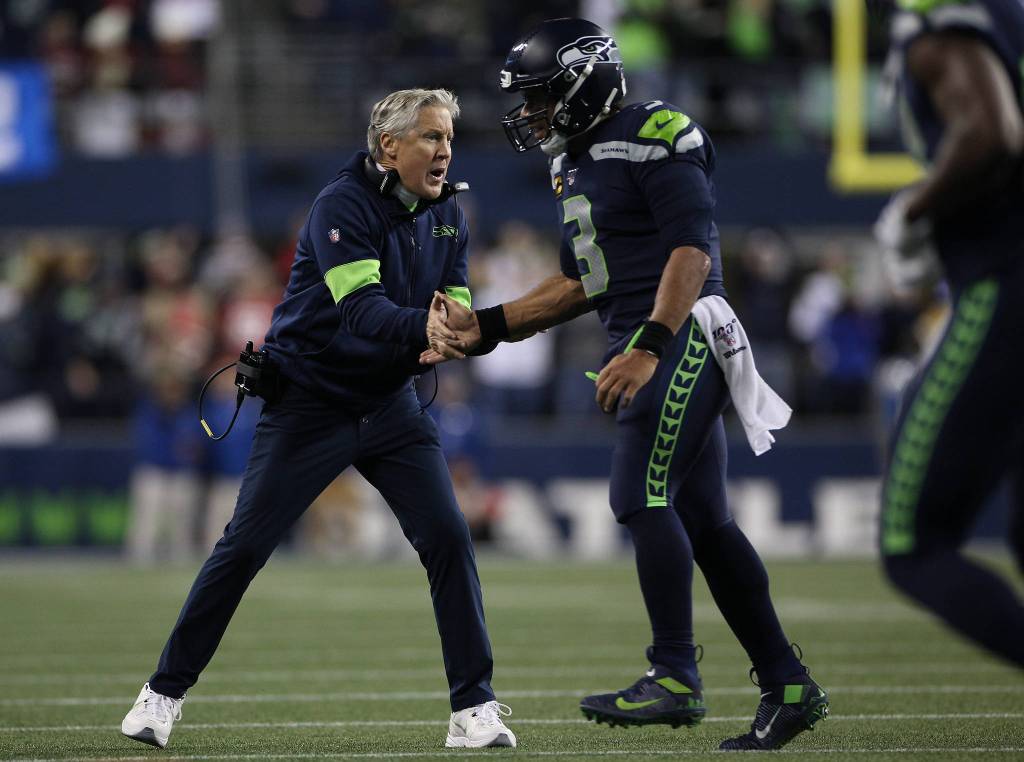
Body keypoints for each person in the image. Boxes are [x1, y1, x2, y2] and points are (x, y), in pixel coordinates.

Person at [426, 18, 828, 751]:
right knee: (704, 520)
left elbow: (692, 252)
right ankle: (788, 684)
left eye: (542, 98)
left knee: (637, 493)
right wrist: (485, 327)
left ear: (585, 85)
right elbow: (582, 282)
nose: (530, 115)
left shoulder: (658, 133)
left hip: (683, 332)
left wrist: (650, 343)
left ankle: (675, 674)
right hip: (648, 336)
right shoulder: (571, 162)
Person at [120, 88, 517, 750]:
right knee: (244, 547)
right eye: (429, 136)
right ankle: (161, 695)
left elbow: (455, 294)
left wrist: (455, 325)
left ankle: (472, 708)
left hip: (392, 402)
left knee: (448, 536)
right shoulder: (342, 204)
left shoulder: (451, 212)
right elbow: (363, 310)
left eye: (449, 136)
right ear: (389, 145)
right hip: (313, 401)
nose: (445, 148)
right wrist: (429, 326)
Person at [874, 0, 1024, 668]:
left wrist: (920, 206)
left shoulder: (942, 26)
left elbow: (991, 132)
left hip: (1006, 285)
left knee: (913, 542)